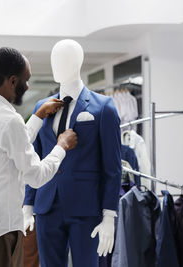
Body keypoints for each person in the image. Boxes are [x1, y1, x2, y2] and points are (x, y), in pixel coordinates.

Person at [0, 47, 78, 267]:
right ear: (13, 81)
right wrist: (61, 147)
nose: (28, 85)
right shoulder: (9, 120)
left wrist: (37, 117)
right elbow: (36, 176)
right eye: (26, 80)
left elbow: (8, 144)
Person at [23, 39, 121, 267]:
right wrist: (28, 204)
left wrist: (109, 215)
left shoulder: (103, 107)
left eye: (63, 59)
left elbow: (112, 167)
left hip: (86, 207)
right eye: (54, 58)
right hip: (46, 204)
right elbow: (33, 160)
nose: (56, 64)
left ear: (78, 62)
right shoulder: (42, 106)